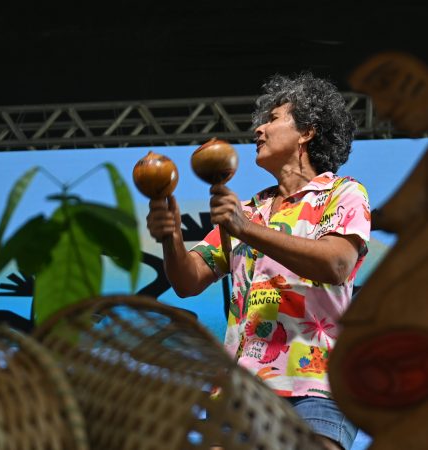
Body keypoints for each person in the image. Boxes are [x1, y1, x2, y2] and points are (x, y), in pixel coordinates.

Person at [146, 72, 371, 450]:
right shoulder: (250, 210)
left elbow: (336, 264)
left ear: (307, 133)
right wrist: (170, 234)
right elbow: (187, 281)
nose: (259, 129)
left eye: (273, 119)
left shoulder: (342, 192)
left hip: (316, 387)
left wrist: (245, 229)